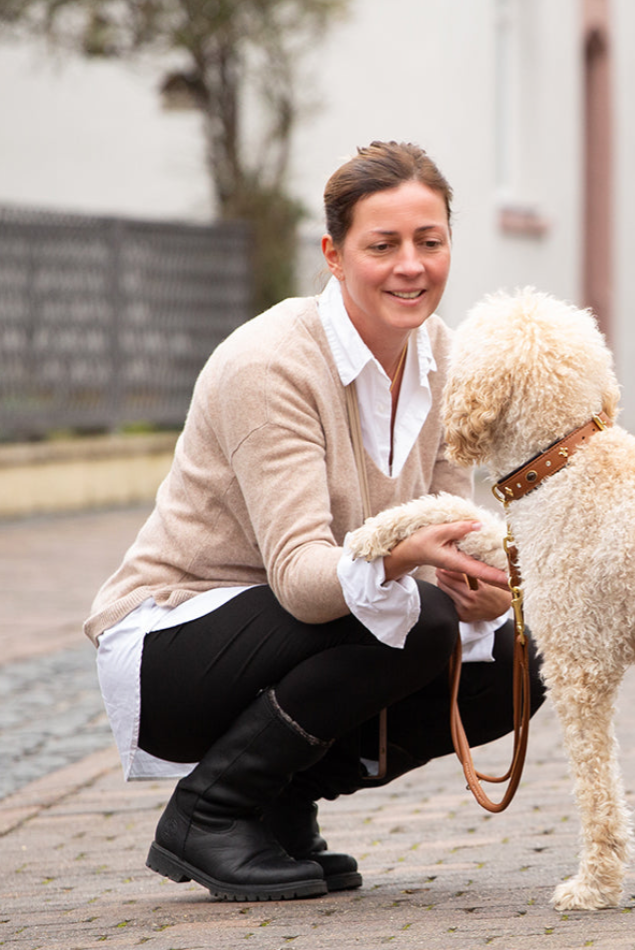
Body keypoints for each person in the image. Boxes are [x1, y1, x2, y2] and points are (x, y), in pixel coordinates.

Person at [84, 140, 544, 902]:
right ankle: (210, 813)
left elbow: (449, 533)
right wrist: (407, 570)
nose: (411, 265)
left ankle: (280, 802)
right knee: (416, 616)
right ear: (334, 254)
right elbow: (301, 579)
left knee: (528, 651)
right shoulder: (270, 365)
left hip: (305, 633)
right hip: (179, 635)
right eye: (382, 245)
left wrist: (486, 592)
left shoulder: (444, 358)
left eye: (430, 242)